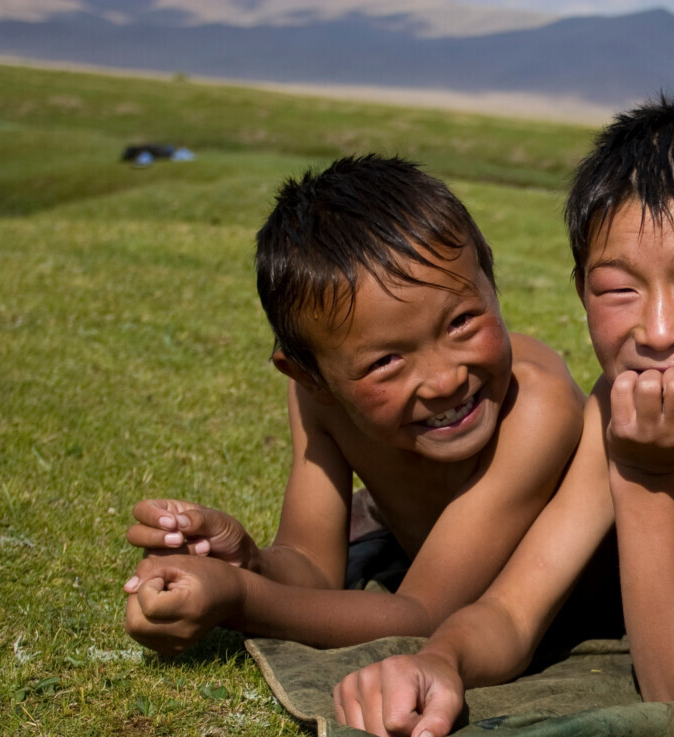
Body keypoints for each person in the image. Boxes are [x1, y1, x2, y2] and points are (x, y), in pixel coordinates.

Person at [331, 79, 674, 737]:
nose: (660, 328)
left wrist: (645, 471)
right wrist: (440, 660)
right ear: (582, 294)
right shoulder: (611, 408)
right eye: (618, 290)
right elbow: (512, 609)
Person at [121, 155, 585, 656]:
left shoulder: (536, 407)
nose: (445, 380)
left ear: (492, 284)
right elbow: (314, 568)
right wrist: (244, 562)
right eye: (386, 361)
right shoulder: (320, 401)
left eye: (461, 323)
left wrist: (242, 600)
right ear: (311, 376)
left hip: (587, 612)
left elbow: (425, 615)